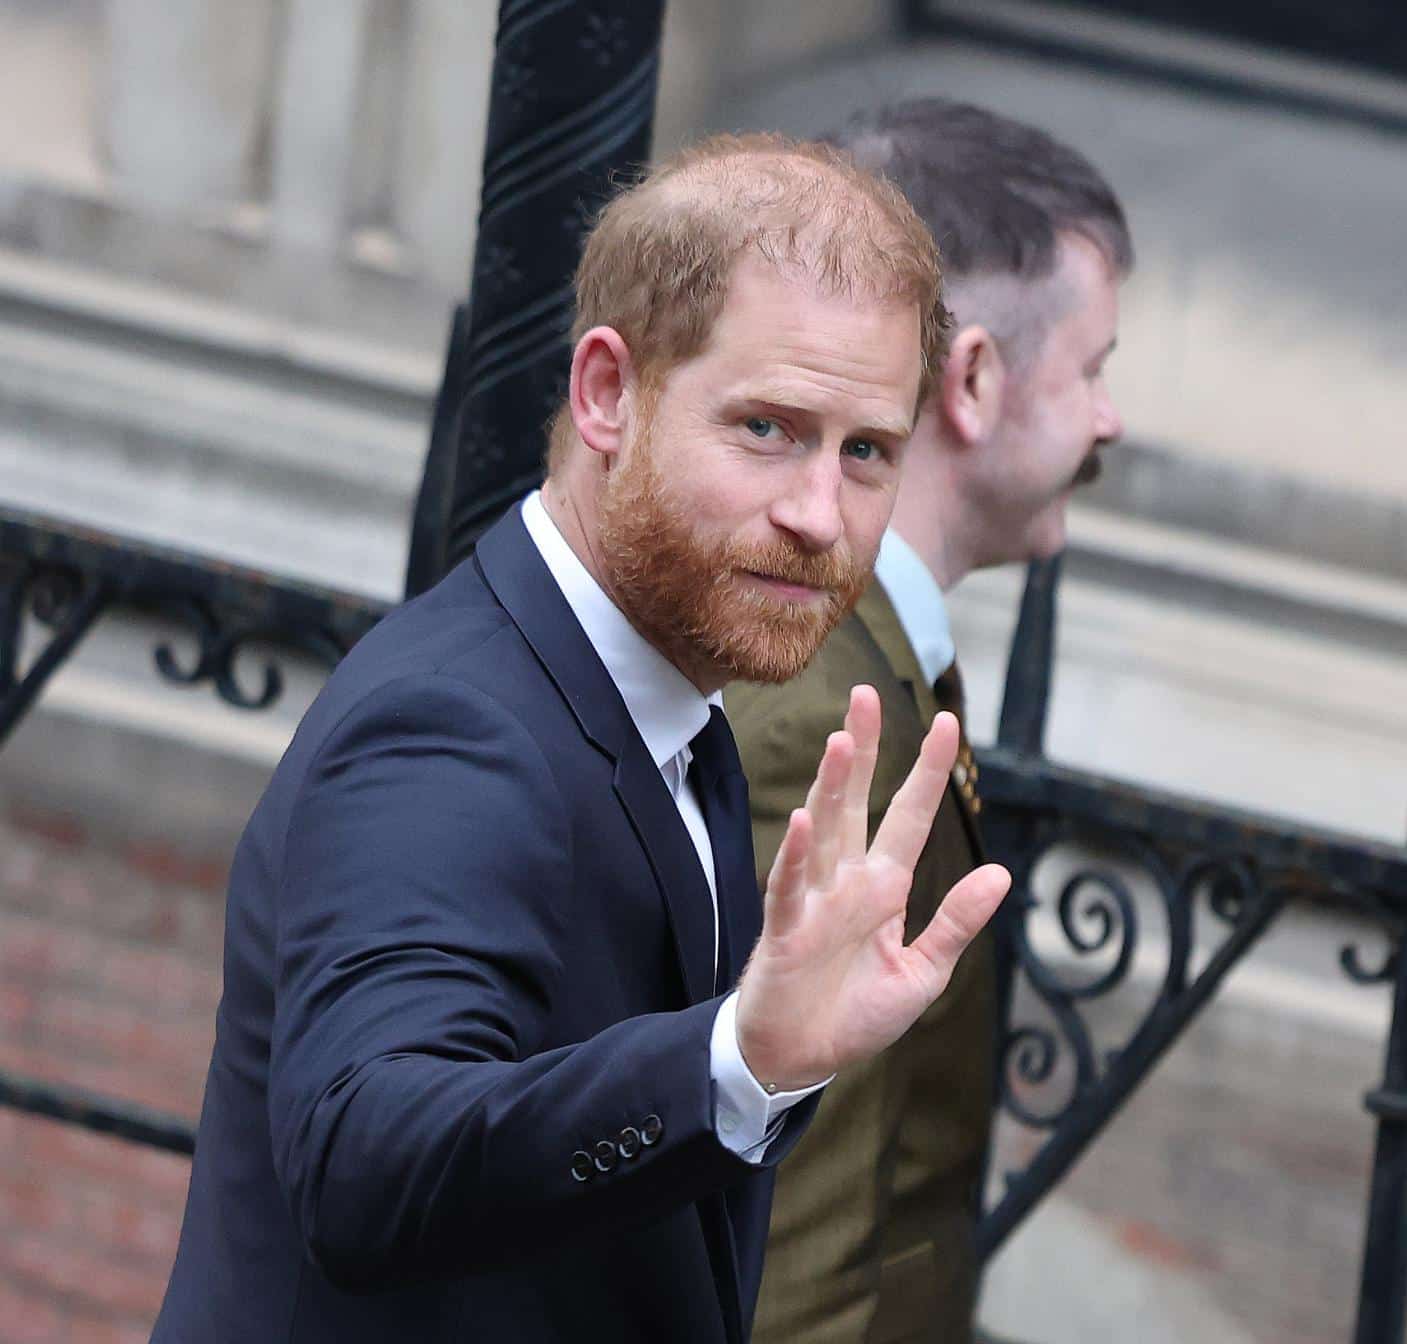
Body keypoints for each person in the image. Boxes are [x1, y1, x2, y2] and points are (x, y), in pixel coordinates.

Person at [151, 133, 1011, 1344]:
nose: (820, 515)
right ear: (607, 393)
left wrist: (748, 1068)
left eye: (865, 451)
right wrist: (731, 1059)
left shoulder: (673, 703)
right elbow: (364, 1163)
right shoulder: (456, 727)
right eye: (767, 427)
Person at [729, 100, 1132, 1344]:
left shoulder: (868, 656)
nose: (1110, 421)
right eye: (1094, 369)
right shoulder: (820, 713)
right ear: (972, 382)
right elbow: (790, 1219)